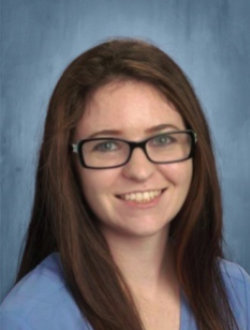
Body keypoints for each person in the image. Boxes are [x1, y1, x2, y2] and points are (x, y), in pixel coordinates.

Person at [0, 38, 249, 330]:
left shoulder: (236, 291)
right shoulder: (29, 318)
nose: (140, 171)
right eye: (107, 145)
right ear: (69, 166)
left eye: (163, 139)